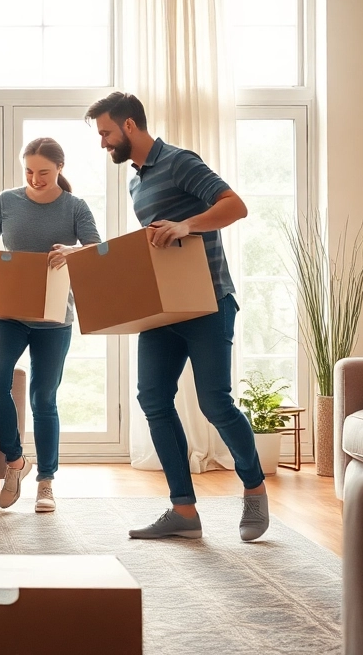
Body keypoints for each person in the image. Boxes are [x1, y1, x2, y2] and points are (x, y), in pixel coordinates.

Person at [85, 91, 269, 541]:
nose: (103, 143)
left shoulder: (180, 162)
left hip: (208, 303)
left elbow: (234, 205)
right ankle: (183, 511)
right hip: (162, 309)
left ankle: (255, 490)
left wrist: (187, 225)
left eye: (107, 133)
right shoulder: (136, 182)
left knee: (214, 402)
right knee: (152, 400)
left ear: (130, 126)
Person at [0, 138, 101, 513]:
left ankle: (46, 482)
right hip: (9, 313)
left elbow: (98, 250)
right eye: (29, 171)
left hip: (55, 318)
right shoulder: (7, 201)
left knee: (44, 399)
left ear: (60, 167)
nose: (35, 178)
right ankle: (15, 461)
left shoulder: (75, 207)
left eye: (43, 171)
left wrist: (73, 251)